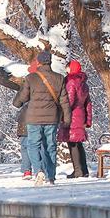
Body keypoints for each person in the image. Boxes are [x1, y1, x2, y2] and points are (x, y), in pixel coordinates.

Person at [13, 51, 71, 186]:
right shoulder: (59, 78)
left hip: (34, 118)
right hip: (51, 118)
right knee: (50, 146)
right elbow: (64, 101)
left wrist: (17, 102)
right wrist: (67, 119)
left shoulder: (31, 78)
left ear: (38, 62)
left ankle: (38, 170)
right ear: (50, 62)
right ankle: (51, 175)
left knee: (33, 145)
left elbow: (23, 97)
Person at [59, 60, 93, 178]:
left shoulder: (71, 81)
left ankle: (77, 170)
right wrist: (88, 120)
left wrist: (62, 114)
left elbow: (69, 100)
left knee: (72, 142)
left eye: (67, 67)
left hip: (72, 115)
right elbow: (88, 103)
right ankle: (84, 170)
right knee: (78, 143)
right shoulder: (84, 83)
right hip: (81, 115)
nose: (66, 70)